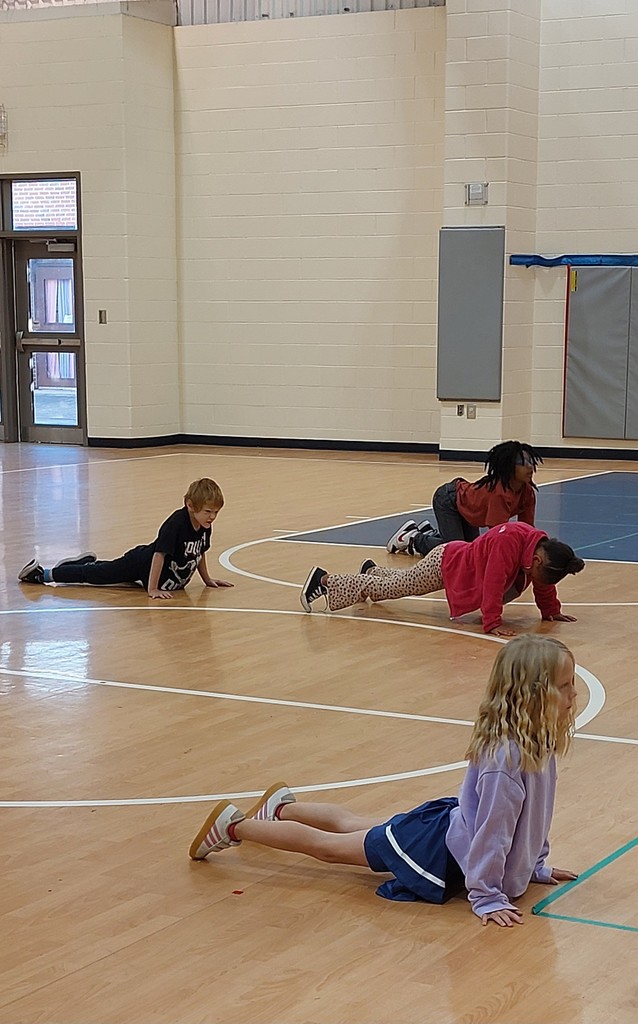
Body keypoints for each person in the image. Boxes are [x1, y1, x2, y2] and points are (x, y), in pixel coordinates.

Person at [188, 635, 579, 927]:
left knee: (355, 825)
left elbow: (534, 818)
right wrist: (487, 896)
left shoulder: (535, 742)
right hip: (437, 851)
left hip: (445, 833)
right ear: (533, 694)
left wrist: (535, 867)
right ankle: (236, 826)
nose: (573, 693)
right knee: (331, 848)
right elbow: (493, 834)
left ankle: (283, 808)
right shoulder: (506, 759)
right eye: (564, 686)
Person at [300, 521, 584, 636]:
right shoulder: (510, 541)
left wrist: (550, 611)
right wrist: (493, 623)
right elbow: (493, 583)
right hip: (447, 564)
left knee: (399, 581)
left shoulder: (537, 549)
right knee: (397, 587)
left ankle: (371, 573)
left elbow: (544, 582)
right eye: (536, 573)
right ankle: (325, 581)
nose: (536, 579)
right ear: (536, 561)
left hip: (456, 563)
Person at [17, 477, 233, 600]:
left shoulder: (204, 525)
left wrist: (207, 580)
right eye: (208, 512)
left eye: (216, 513)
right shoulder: (175, 525)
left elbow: (199, 553)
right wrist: (152, 589)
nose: (212, 517)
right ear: (190, 506)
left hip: (155, 574)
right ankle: (42, 574)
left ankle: (82, 564)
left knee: (105, 570)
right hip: (140, 564)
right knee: (97, 576)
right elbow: (159, 555)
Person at [386, 440, 543, 557]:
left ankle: (431, 534)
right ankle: (413, 538)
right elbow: (498, 536)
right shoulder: (499, 493)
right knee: (458, 554)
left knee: (470, 551)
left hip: (468, 513)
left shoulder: (527, 492)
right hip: (449, 501)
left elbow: (527, 529)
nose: (530, 467)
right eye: (523, 463)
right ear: (509, 467)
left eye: (531, 461)